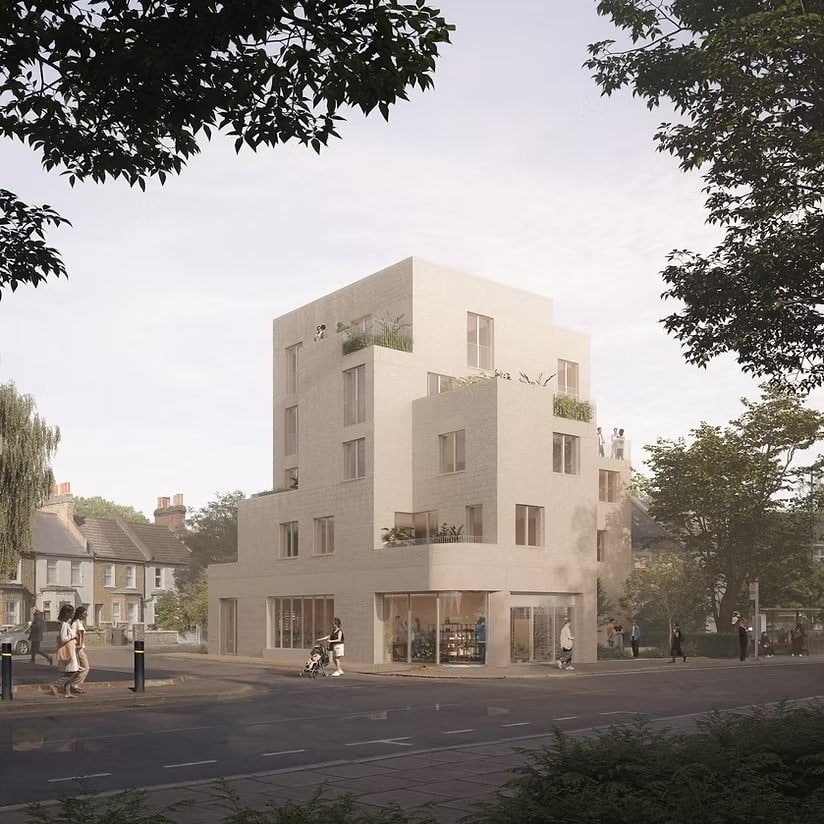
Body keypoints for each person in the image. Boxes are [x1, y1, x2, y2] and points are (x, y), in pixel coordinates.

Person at [50, 604, 81, 698]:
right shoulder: (64, 624)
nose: (73, 614)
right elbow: (63, 639)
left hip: (71, 649)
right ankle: (55, 684)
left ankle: (67, 692)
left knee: (70, 671)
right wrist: (73, 635)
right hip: (68, 650)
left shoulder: (67, 623)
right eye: (72, 612)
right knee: (73, 671)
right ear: (67, 613)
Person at [70, 605, 90, 694]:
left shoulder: (79, 622)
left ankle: (73, 684)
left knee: (80, 667)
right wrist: (77, 644)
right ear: (80, 614)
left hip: (80, 647)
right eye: (85, 614)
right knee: (85, 667)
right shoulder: (75, 623)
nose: (86, 615)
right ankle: (73, 684)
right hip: (77, 648)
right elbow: (73, 634)